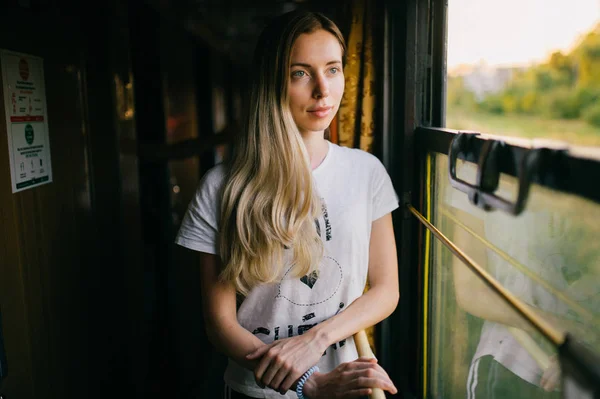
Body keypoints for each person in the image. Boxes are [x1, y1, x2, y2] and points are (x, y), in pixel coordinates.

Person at [175, 10, 400, 399]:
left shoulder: (367, 172)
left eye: (332, 70)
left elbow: (385, 290)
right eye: (300, 73)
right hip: (256, 392)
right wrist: (308, 382)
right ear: (272, 82)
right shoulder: (221, 187)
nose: (323, 91)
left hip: (349, 385)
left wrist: (315, 341)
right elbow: (220, 325)